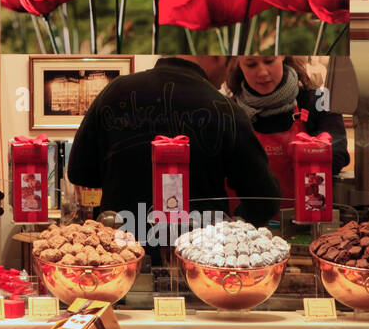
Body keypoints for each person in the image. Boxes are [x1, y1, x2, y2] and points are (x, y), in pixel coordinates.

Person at [67, 56, 281, 227]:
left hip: (123, 254)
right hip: (200, 257)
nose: (228, 72)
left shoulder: (114, 92)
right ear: (216, 55)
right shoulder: (225, 109)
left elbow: (79, 172)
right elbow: (264, 199)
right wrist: (233, 225)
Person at [225, 56, 350, 204]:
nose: (263, 72)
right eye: (251, 65)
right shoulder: (228, 111)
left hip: (306, 218)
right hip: (243, 223)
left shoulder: (318, 100)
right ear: (239, 65)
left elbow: (337, 152)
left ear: (283, 57)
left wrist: (311, 154)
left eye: (269, 61)